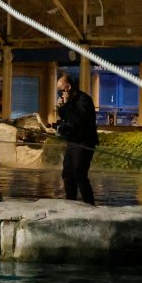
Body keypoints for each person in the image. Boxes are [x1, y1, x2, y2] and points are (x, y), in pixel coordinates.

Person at [54, 71, 99, 205]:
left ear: (68, 87)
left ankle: (89, 203)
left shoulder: (83, 99)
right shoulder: (70, 101)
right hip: (73, 141)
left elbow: (78, 119)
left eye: (60, 90)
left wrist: (67, 105)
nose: (59, 93)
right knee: (67, 173)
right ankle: (70, 202)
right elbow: (67, 118)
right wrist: (61, 107)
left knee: (79, 174)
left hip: (84, 142)